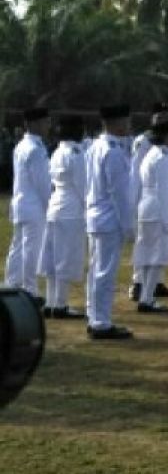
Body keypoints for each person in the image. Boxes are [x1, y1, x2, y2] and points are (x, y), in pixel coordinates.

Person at [85, 104, 136, 340]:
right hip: (109, 219)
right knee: (105, 273)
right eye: (126, 121)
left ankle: (94, 316)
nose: (128, 126)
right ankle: (101, 322)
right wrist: (128, 226)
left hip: (96, 216)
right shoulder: (113, 151)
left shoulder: (95, 146)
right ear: (116, 123)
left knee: (96, 271)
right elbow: (120, 194)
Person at [129, 102, 168, 303]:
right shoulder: (160, 157)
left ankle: (147, 294)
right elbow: (162, 192)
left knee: (146, 252)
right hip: (156, 207)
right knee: (158, 255)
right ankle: (146, 298)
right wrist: (167, 219)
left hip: (148, 207)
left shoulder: (154, 154)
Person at [38, 113, 88, 318]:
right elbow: (83, 185)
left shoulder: (57, 151)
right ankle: (60, 304)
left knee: (53, 258)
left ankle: (51, 302)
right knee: (66, 258)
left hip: (55, 207)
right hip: (71, 209)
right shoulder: (76, 154)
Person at [5, 107, 52, 303]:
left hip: (20, 202)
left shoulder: (21, 145)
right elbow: (42, 183)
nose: (48, 126)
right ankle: (30, 290)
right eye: (46, 122)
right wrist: (49, 205)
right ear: (35, 123)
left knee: (17, 247)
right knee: (31, 248)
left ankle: (11, 284)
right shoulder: (36, 148)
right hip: (33, 205)